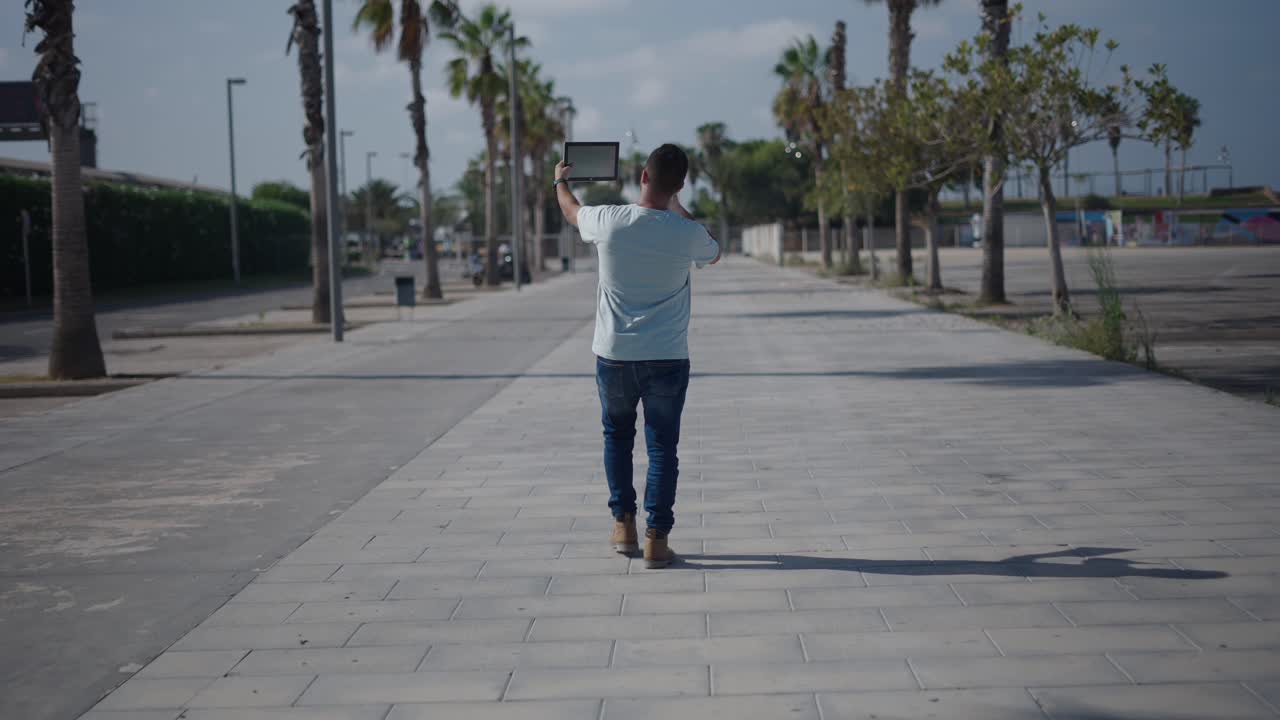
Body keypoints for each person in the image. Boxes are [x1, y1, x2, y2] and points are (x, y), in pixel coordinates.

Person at [554, 144, 720, 569]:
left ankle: (623, 526)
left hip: (614, 355)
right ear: (680, 186)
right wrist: (677, 206)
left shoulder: (609, 220)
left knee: (617, 436)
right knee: (662, 447)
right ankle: (656, 540)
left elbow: (571, 211)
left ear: (642, 177)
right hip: (667, 357)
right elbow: (713, 252)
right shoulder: (686, 233)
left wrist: (560, 181)